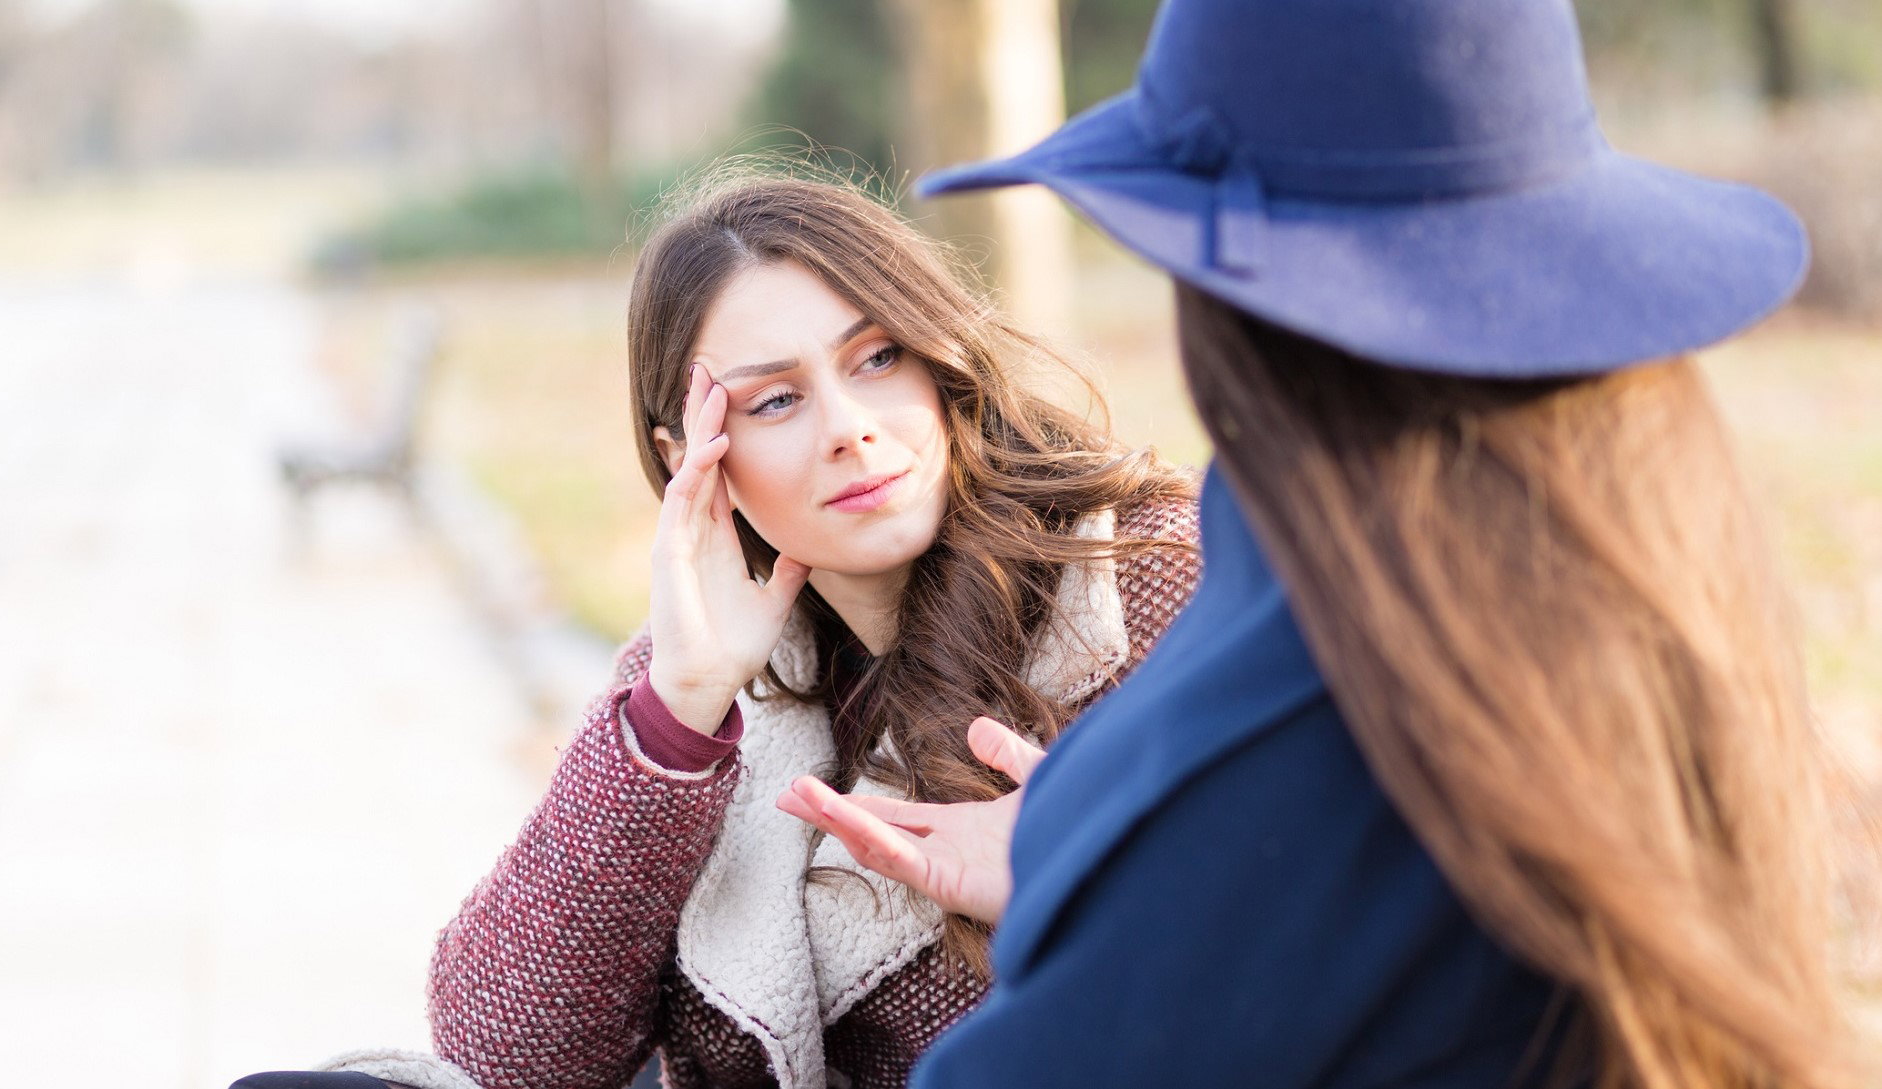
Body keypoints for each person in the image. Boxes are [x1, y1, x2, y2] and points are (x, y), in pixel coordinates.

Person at [779, 2, 1877, 1087]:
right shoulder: (1636, 572)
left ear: (1229, 312)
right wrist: (1083, 835)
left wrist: (1132, 878)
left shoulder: (1300, 721)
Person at [233, 173, 1202, 1089]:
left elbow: (1308, 975)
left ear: (939, 358)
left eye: (877, 358)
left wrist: (1081, 889)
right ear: (691, 458)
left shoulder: (1154, 583)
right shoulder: (717, 670)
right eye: (775, 400)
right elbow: (503, 1055)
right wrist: (676, 712)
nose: (849, 427)